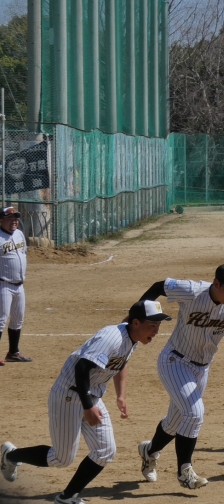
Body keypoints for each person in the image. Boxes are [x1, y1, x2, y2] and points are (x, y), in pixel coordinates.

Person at [0, 300, 170, 504]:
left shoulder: (132, 338)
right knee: (61, 459)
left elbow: (120, 363)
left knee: (105, 451)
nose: (156, 331)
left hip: (91, 395)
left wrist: (121, 396)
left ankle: (67, 498)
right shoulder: (112, 338)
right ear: (136, 322)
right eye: (152, 326)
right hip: (68, 395)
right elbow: (81, 368)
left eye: (158, 326)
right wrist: (88, 406)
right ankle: (11, 455)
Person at [136, 264, 224, 489]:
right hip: (174, 361)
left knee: (175, 422)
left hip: (202, 368)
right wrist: (139, 315)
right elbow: (159, 286)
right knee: (194, 413)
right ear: (216, 283)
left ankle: (149, 451)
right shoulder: (192, 291)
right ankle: (185, 472)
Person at [0, 206, 31, 365]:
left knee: (18, 319)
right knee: (1, 320)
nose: (14, 221)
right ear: (1, 221)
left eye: (15, 218)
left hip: (19, 285)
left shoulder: (19, 234)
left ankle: (13, 352)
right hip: (3, 285)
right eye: (10, 218)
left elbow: (23, 253)